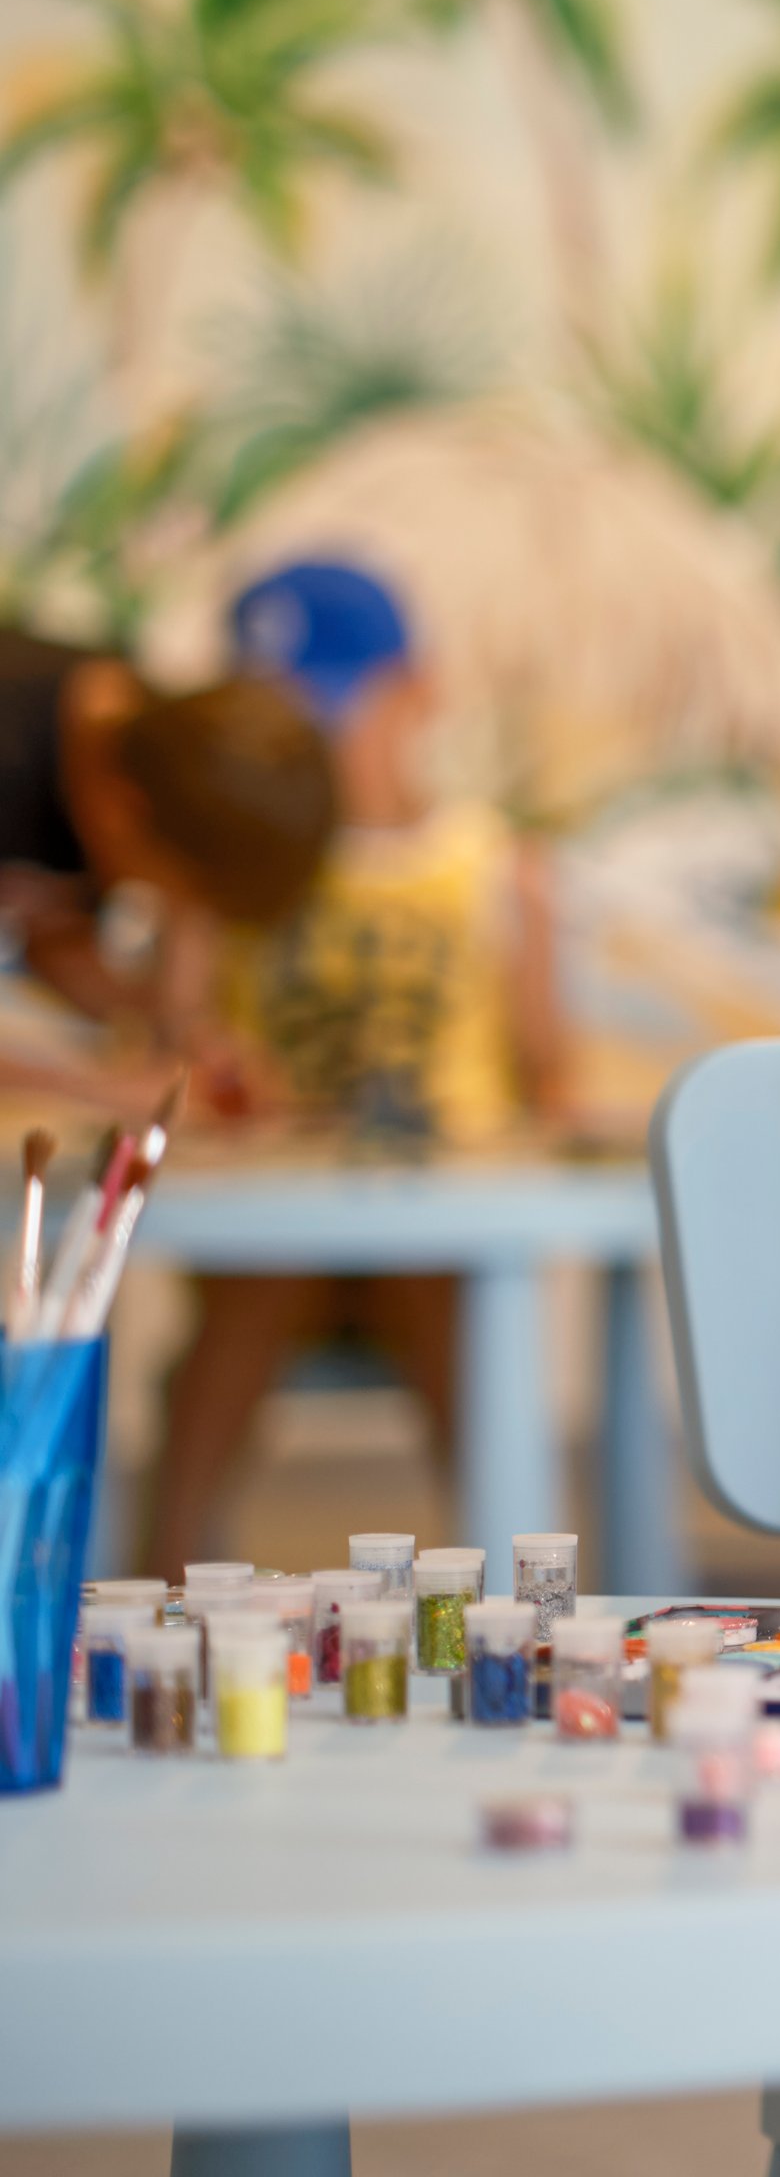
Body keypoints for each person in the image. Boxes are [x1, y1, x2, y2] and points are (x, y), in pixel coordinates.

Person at [135, 560, 571, 1572]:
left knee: (448, 1301)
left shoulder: (490, 865)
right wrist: (193, 906)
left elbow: (548, 1075)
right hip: (275, 1229)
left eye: (327, 713)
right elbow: (173, 1046)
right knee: (245, 1294)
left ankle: (520, 1595)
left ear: (419, 691)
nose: (309, 749)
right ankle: (153, 1582)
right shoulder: (237, 876)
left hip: (437, 1223)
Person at [0, 616, 333, 1110]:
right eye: (173, 890)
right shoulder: (16, 729)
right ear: (124, 812)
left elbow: (50, 936)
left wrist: (189, 1033)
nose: (175, 908)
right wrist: (103, 1089)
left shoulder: (159, 750)